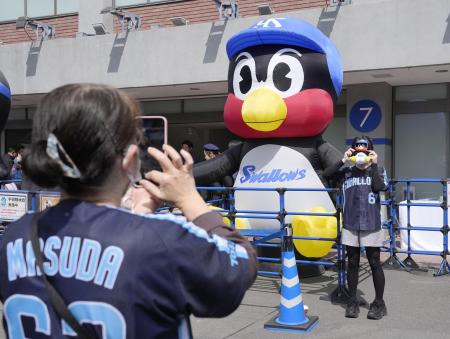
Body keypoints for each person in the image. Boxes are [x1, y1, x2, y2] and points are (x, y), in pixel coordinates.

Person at [0, 84, 257, 338]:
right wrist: (189, 198)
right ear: (130, 158)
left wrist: (137, 219)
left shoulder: (15, 235)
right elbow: (240, 263)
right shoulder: (160, 239)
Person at [323, 136, 388, 320]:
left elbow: (379, 186)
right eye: (357, 149)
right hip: (351, 223)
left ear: (370, 151)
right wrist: (344, 159)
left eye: (364, 150)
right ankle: (352, 301)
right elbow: (326, 175)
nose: (361, 153)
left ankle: (379, 303)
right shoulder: (347, 172)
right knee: (352, 262)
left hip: (371, 223)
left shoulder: (379, 170)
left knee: (374, 262)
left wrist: (374, 164)